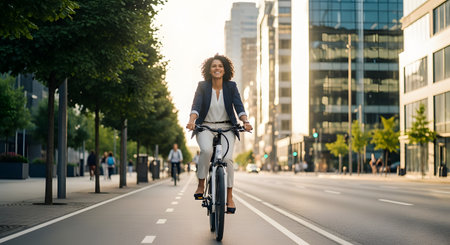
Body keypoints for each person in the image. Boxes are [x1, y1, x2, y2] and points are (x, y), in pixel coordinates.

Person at [186, 54, 253, 214]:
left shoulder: (231, 86)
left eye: (220, 66)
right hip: (206, 127)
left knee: (228, 159)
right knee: (206, 151)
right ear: (209, 70)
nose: (217, 68)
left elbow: (239, 106)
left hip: (227, 127)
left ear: (225, 70)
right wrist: (192, 120)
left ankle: (229, 197)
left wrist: (245, 121)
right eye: (214, 66)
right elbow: (196, 105)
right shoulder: (202, 86)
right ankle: (201, 184)